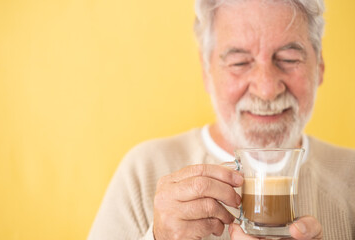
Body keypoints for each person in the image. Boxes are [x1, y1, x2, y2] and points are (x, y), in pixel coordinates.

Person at [88, 0, 355, 239]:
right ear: (207, 72)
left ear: (319, 67)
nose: (266, 88)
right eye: (239, 63)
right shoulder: (143, 172)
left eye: (288, 58)